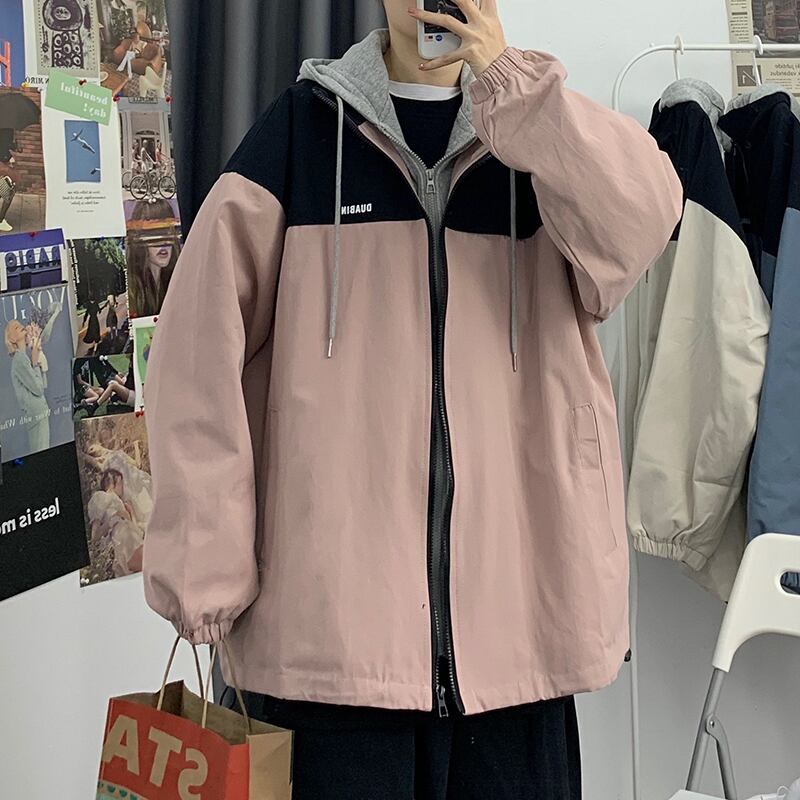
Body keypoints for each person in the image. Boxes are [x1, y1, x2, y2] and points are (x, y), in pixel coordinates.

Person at [143, 2, 682, 798]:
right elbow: (195, 357)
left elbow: (645, 223)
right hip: (328, 652)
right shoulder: (299, 135)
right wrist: (204, 566)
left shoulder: (544, 141)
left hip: (521, 637)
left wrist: (514, 93)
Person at [126, 199, 180, 317]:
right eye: (154, 234)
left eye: (167, 232)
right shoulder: (133, 291)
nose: (163, 242)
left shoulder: (177, 283)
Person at [4, 319, 50, 454]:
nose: (21, 326)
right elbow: (38, 389)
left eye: (20, 325)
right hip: (36, 416)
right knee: (41, 454)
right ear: (12, 339)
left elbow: (42, 385)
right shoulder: (20, 360)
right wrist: (35, 362)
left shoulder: (22, 358)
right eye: (16, 327)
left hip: (39, 415)